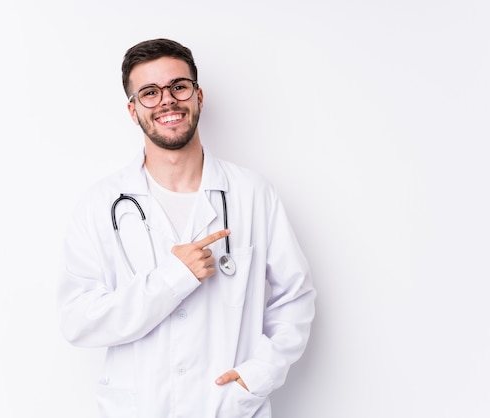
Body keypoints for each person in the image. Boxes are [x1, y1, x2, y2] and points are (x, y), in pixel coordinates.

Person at [57, 38, 316, 418]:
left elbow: (294, 298)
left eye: (178, 86)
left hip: (227, 408)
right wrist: (173, 278)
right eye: (149, 93)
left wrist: (256, 376)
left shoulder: (250, 194)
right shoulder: (101, 204)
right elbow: (77, 321)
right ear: (133, 110)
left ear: (198, 95)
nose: (167, 101)